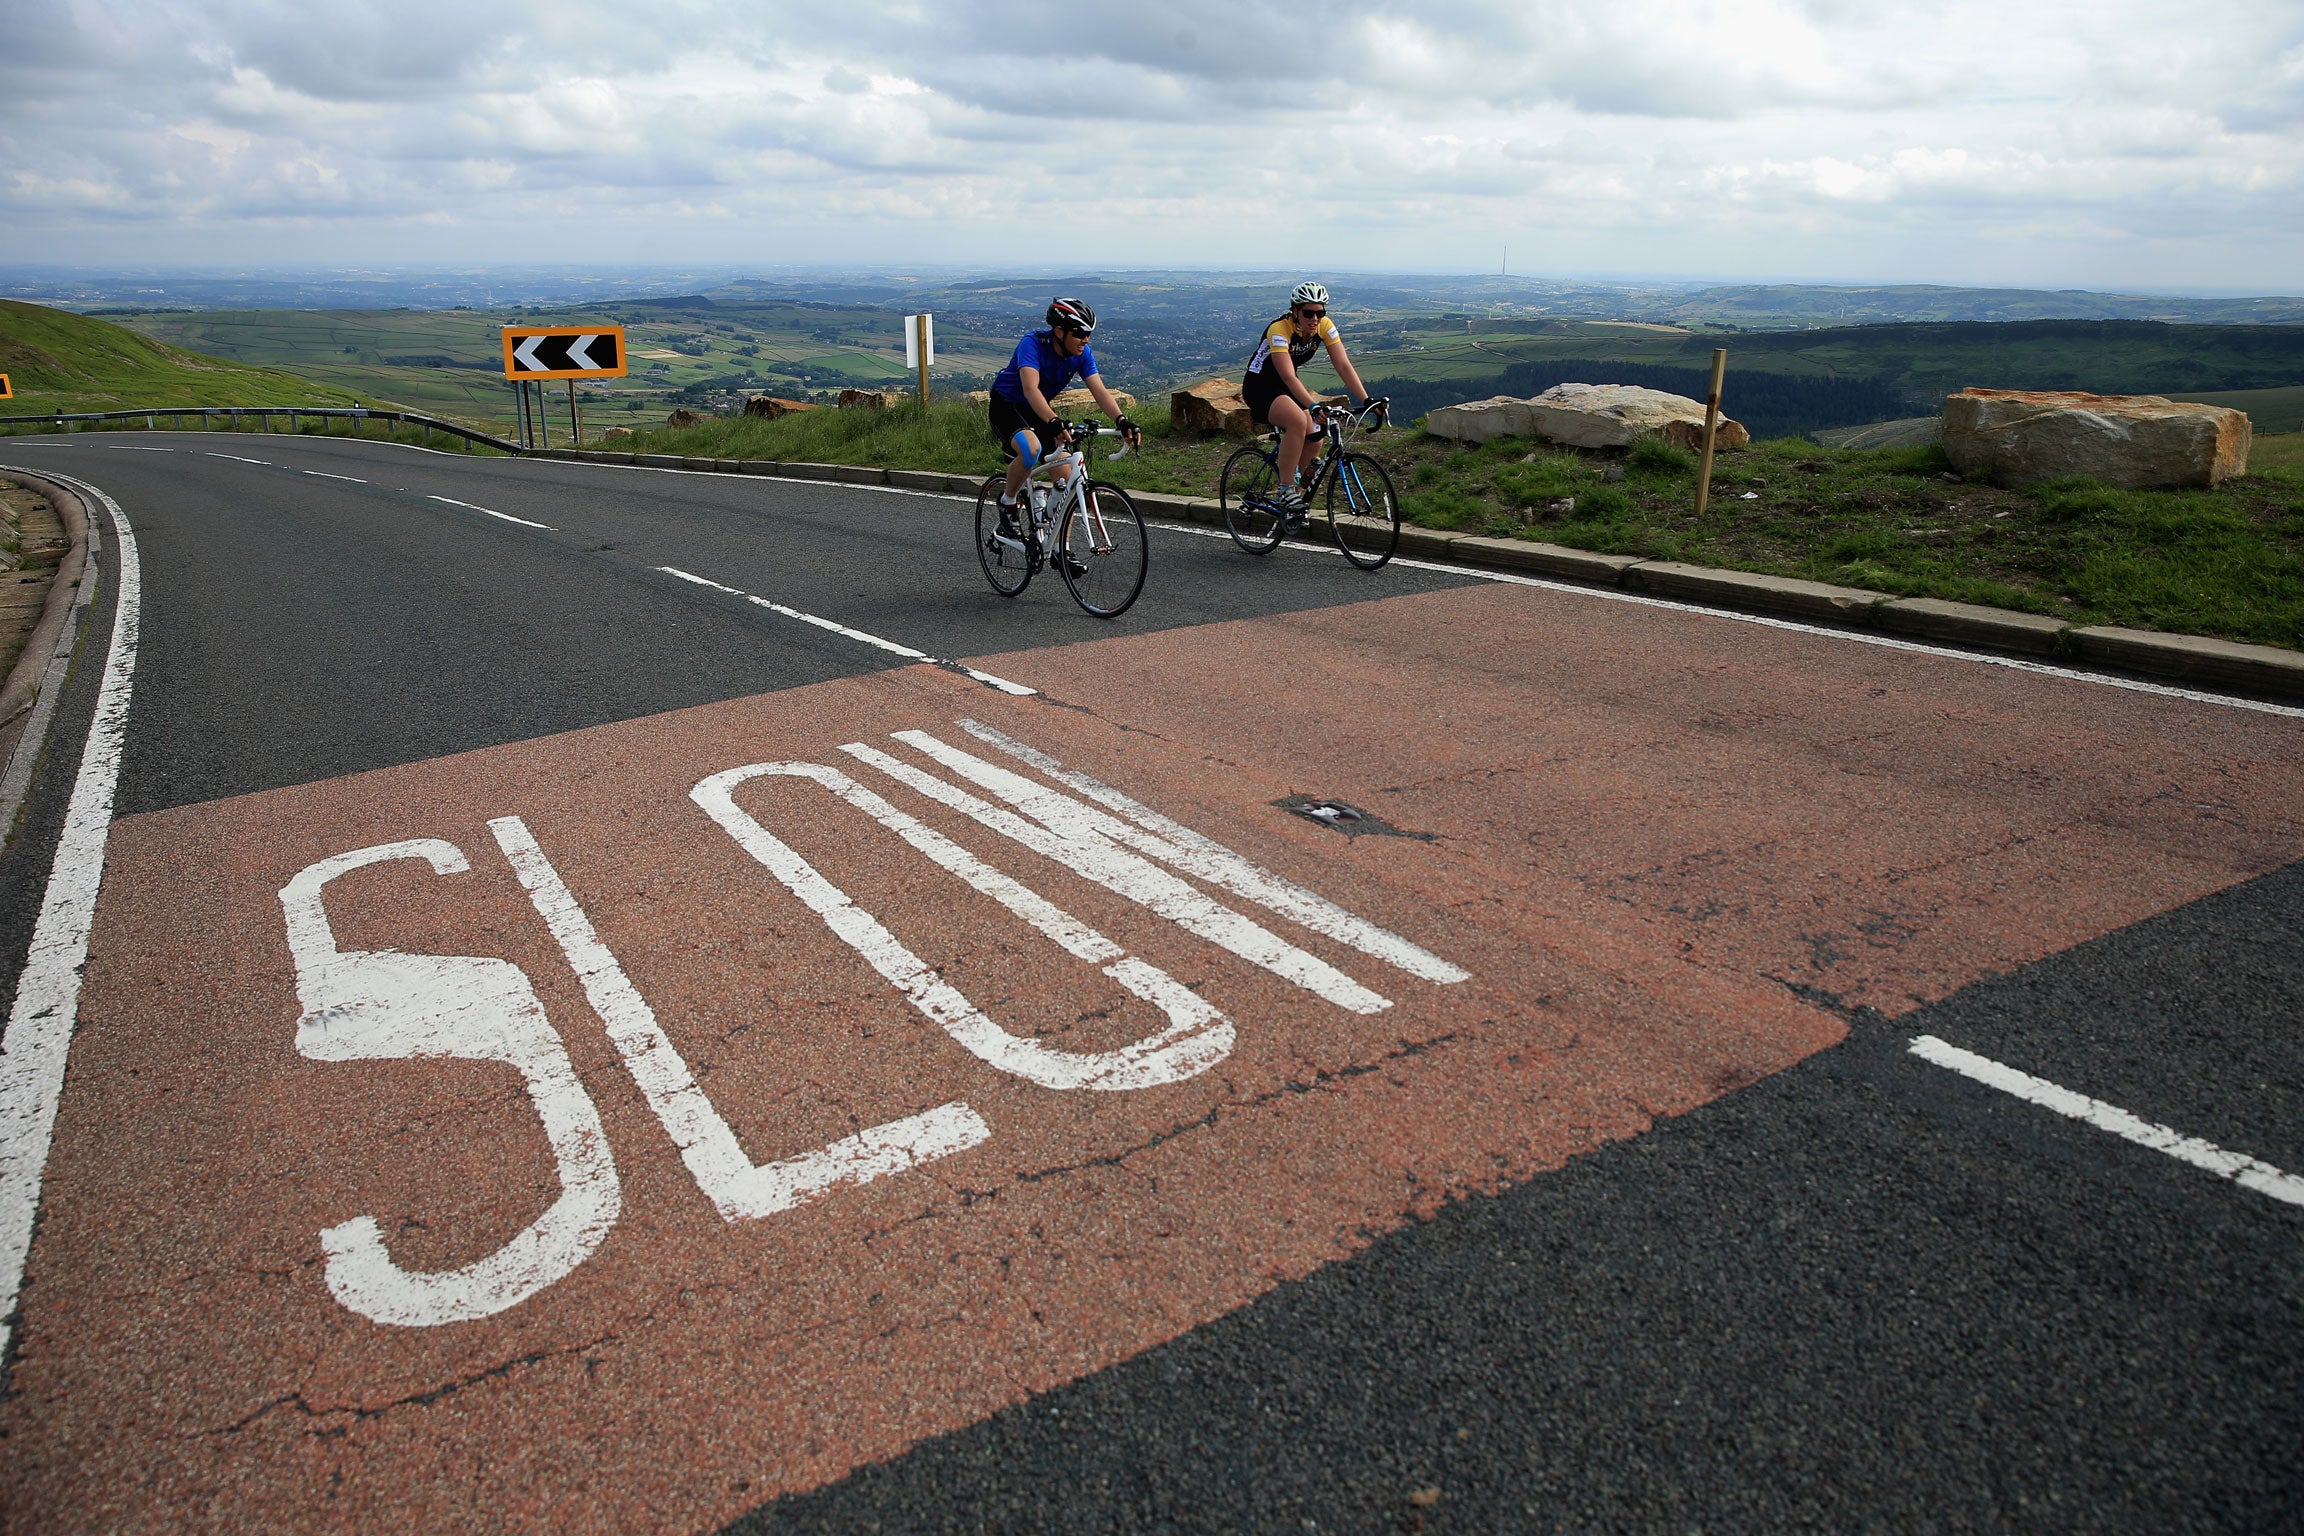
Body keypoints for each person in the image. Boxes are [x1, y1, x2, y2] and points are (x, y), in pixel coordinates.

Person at [987, 298, 1140, 540]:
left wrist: (1122, 420)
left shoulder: (1082, 354)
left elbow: (1099, 391)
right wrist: (1053, 421)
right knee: (1031, 450)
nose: (1086, 340)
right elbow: (1030, 390)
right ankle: (1007, 503)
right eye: (1079, 333)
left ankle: (1062, 549)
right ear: (1059, 331)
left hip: (1038, 410)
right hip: (1007, 404)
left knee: (1068, 473)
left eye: (1089, 334)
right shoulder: (1032, 344)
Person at [1240, 281, 1379, 522]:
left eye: (1320, 312)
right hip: (1260, 386)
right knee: (1297, 421)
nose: (1315, 318)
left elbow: (1343, 365)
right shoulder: (1279, 329)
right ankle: (1285, 491)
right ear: (1295, 311)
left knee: (1316, 432)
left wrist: (1367, 399)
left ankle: (1297, 495)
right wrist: (1312, 405)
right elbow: (1287, 376)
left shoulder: (1324, 326)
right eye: (1308, 313)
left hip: (1286, 386)